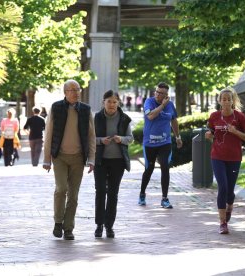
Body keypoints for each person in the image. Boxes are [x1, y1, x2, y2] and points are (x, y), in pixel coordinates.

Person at [43, 79, 96, 240]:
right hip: (59, 156)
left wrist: (92, 158)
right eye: (72, 90)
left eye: (78, 89)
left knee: (73, 195)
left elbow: (91, 136)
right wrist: (47, 159)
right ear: (65, 92)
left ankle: (68, 228)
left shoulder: (86, 110)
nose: (76, 92)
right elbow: (49, 133)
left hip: (78, 158)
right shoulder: (56, 107)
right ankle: (58, 222)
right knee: (61, 189)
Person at [205, 87, 245, 234]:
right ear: (219, 101)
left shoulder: (240, 117)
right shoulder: (214, 116)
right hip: (217, 156)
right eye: (223, 99)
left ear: (233, 101)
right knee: (222, 187)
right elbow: (211, 131)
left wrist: (235, 131)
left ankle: (230, 205)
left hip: (234, 157)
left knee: (230, 190)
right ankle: (222, 223)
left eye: (228, 99)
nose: (225, 101)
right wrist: (209, 135)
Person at [93, 90, 133, 238]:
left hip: (118, 161)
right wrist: (100, 140)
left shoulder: (124, 119)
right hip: (100, 161)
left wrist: (121, 139)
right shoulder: (96, 118)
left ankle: (109, 226)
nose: (111, 104)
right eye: (109, 101)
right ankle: (99, 225)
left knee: (113, 193)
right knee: (101, 191)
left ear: (118, 103)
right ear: (103, 102)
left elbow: (130, 138)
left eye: (114, 102)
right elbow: (89, 139)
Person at [138, 82, 182, 208]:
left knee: (165, 166)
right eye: (156, 92)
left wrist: (178, 137)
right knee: (149, 168)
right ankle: (142, 194)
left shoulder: (170, 105)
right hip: (149, 143)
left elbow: (174, 121)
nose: (157, 94)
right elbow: (151, 116)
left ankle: (164, 198)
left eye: (161, 93)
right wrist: (162, 105)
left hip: (165, 142)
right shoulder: (149, 102)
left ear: (166, 95)